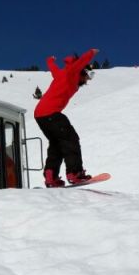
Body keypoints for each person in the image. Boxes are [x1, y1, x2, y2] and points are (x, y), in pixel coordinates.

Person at [34, 49, 98, 187]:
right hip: (51, 113)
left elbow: (53, 70)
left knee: (57, 144)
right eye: (89, 75)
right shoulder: (72, 73)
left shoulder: (62, 74)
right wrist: (91, 53)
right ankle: (75, 173)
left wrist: (50, 61)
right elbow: (80, 63)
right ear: (83, 71)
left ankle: (51, 176)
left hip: (40, 115)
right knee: (70, 139)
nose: (88, 80)